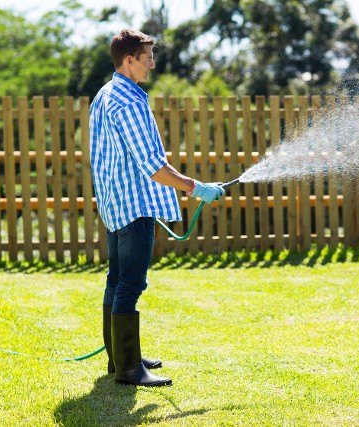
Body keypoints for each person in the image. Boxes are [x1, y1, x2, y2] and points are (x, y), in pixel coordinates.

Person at [89, 28, 225, 387]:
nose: (153, 63)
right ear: (129, 60)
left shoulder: (106, 94)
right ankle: (130, 370)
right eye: (147, 57)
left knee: (116, 280)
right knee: (130, 284)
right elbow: (153, 166)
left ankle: (119, 359)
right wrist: (197, 188)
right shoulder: (129, 101)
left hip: (113, 202)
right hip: (132, 205)